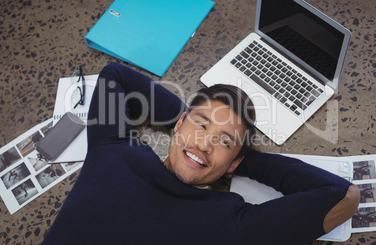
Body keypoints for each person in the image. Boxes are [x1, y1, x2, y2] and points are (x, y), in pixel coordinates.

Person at [42, 63, 359, 245]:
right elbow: (116, 77)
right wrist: (188, 126)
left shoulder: (230, 224)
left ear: (235, 162)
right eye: (200, 126)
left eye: (224, 142)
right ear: (178, 124)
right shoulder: (113, 152)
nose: (206, 144)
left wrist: (240, 157)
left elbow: (342, 195)